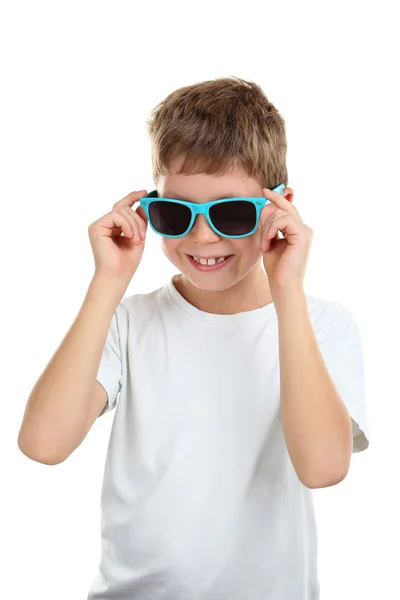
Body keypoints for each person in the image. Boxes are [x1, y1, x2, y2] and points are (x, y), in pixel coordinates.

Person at [18, 76, 370, 600]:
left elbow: (322, 468)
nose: (202, 238)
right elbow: (43, 444)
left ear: (280, 208)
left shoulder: (321, 324)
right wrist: (108, 281)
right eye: (175, 213)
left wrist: (287, 288)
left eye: (230, 213)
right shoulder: (128, 322)